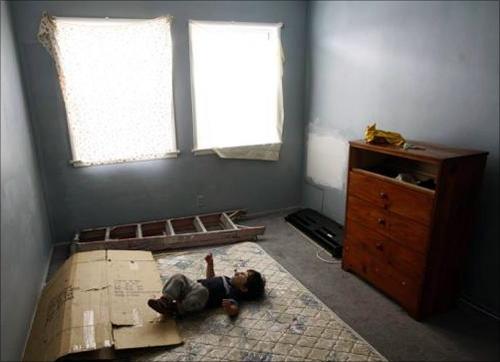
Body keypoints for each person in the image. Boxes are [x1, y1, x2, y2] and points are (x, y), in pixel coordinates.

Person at [147, 252, 265, 317]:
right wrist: (210, 264)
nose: (239, 272)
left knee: (203, 291)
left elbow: (235, 310)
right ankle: (165, 301)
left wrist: (229, 307)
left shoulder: (233, 293)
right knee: (179, 277)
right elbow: (210, 278)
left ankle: (174, 309)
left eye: (243, 275)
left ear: (244, 288)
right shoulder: (226, 278)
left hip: (197, 301)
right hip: (192, 289)